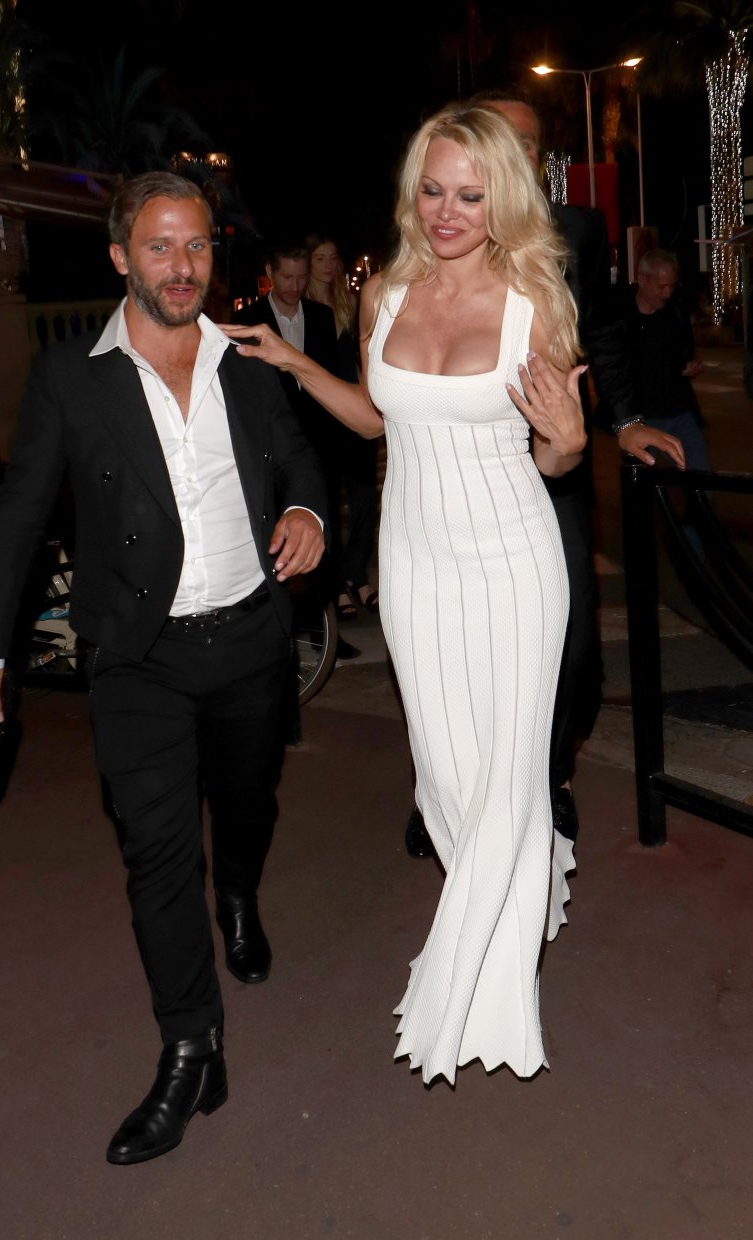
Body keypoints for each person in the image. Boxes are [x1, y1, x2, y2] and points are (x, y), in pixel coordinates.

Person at [0, 173, 326, 1163]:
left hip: (249, 640)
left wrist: (306, 511)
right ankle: (192, 1048)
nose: (182, 266)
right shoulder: (72, 377)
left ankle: (237, 893)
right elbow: (22, 514)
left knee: (247, 805)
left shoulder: (246, 361)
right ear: (120, 257)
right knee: (155, 853)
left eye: (196, 245)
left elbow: (298, 457)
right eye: (160, 246)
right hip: (138, 657)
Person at [222, 107, 587, 1083]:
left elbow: (555, 450)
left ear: (503, 199)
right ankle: (514, 891)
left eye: (470, 194)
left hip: (512, 559)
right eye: (432, 190)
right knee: (445, 780)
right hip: (417, 560)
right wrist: (296, 364)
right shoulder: (383, 293)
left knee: (506, 777)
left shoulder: (532, 299)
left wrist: (569, 442)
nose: (447, 211)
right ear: (411, 191)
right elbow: (379, 419)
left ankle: (475, 992)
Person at [403, 87, 686, 857]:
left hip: (550, 466)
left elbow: (604, 330)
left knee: (570, 640)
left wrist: (623, 420)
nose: (517, 152)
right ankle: (444, 790)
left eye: (529, 143)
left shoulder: (575, 231)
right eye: (502, 136)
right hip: (456, 472)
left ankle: (547, 777)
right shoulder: (436, 227)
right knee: (452, 643)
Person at [236, 245, 361, 659]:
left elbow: (334, 380)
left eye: (301, 277)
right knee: (274, 543)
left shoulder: (322, 316)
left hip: (320, 447)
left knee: (324, 536)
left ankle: (325, 632)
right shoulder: (248, 320)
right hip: (270, 452)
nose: (294, 285)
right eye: (286, 277)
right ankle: (281, 633)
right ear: (270, 272)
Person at [306, 233, 380, 617]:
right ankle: (335, 583)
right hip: (321, 414)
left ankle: (357, 574)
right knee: (328, 502)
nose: (328, 265)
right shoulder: (301, 306)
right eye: (320, 258)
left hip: (355, 408)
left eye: (333, 258)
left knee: (365, 496)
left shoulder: (350, 302)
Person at [623, 248, 708, 471]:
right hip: (640, 418)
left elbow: (686, 353)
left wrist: (690, 366)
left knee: (699, 476)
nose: (668, 293)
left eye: (672, 286)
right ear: (642, 279)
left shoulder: (675, 312)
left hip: (678, 412)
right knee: (643, 482)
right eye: (662, 286)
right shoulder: (621, 318)